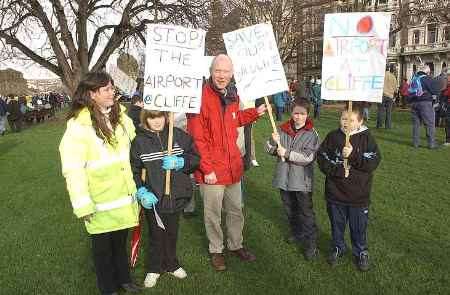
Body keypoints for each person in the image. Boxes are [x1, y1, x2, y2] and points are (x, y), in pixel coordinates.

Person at [59, 72, 141, 295]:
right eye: (106, 89)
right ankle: (108, 288)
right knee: (102, 250)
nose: (112, 92)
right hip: (99, 201)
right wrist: (82, 204)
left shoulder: (121, 117)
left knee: (119, 244)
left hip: (123, 197)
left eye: (112, 88)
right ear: (92, 94)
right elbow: (73, 169)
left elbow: (137, 143)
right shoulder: (78, 127)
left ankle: (124, 279)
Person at [187, 54, 266, 271]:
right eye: (218, 71)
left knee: (235, 210)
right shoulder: (199, 98)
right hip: (211, 169)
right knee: (212, 213)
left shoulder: (232, 96)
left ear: (232, 74)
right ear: (211, 72)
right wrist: (206, 168)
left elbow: (234, 120)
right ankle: (216, 249)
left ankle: (235, 244)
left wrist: (254, 113)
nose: (222, 76)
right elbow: (196, 138)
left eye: (226, 72)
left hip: (232, 166)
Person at [130, 109, 200, 288]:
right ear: (145, 119)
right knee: (156, 234)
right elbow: (134, 170)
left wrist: (181, 162)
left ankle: (171, 264)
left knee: (172, 232)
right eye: (152, 117)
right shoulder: (139, 142)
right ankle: (154, 268)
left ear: (166, 116)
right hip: (154, 198)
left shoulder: (178, 135)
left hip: (176, 195)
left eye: (160, 116)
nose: (157, 121)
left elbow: (195, 158)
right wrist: (141, 191)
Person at [317, 105, 381, 272]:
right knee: (337, 225)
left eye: (351, 120)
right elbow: (322, 158)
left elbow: (372, 162)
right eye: (344, 119)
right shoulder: (333, 137)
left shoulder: (367, 138)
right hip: (335, 193)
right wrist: (338, 170)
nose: (346, 123)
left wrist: (352, 155)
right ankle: (338, 247)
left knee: (358, 227)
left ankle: (361, 251)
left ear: (360, 121)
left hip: (358, 196)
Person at [265, 98, 320, 260]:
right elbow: (268, 149)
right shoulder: (282, 130)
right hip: (284, 179)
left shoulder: (311, 134)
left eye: (302, 114)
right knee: (290, 209)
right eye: (296, 113)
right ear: (291, 113)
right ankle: (297, 232)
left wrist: (287, 153)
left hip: (301, 182)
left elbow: (308, 157)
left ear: (307, 115)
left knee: (305, 212)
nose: (298, 117)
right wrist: (272, 142)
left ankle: (311, 244)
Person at [408, 65, 442, 148]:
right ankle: (431, 143)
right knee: (429, 123)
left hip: (413, 103)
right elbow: (434, 90)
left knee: (416, 124)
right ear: (427, 72)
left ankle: (415, 143)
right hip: (425, 102)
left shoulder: (414, 79)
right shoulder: (427, 78)